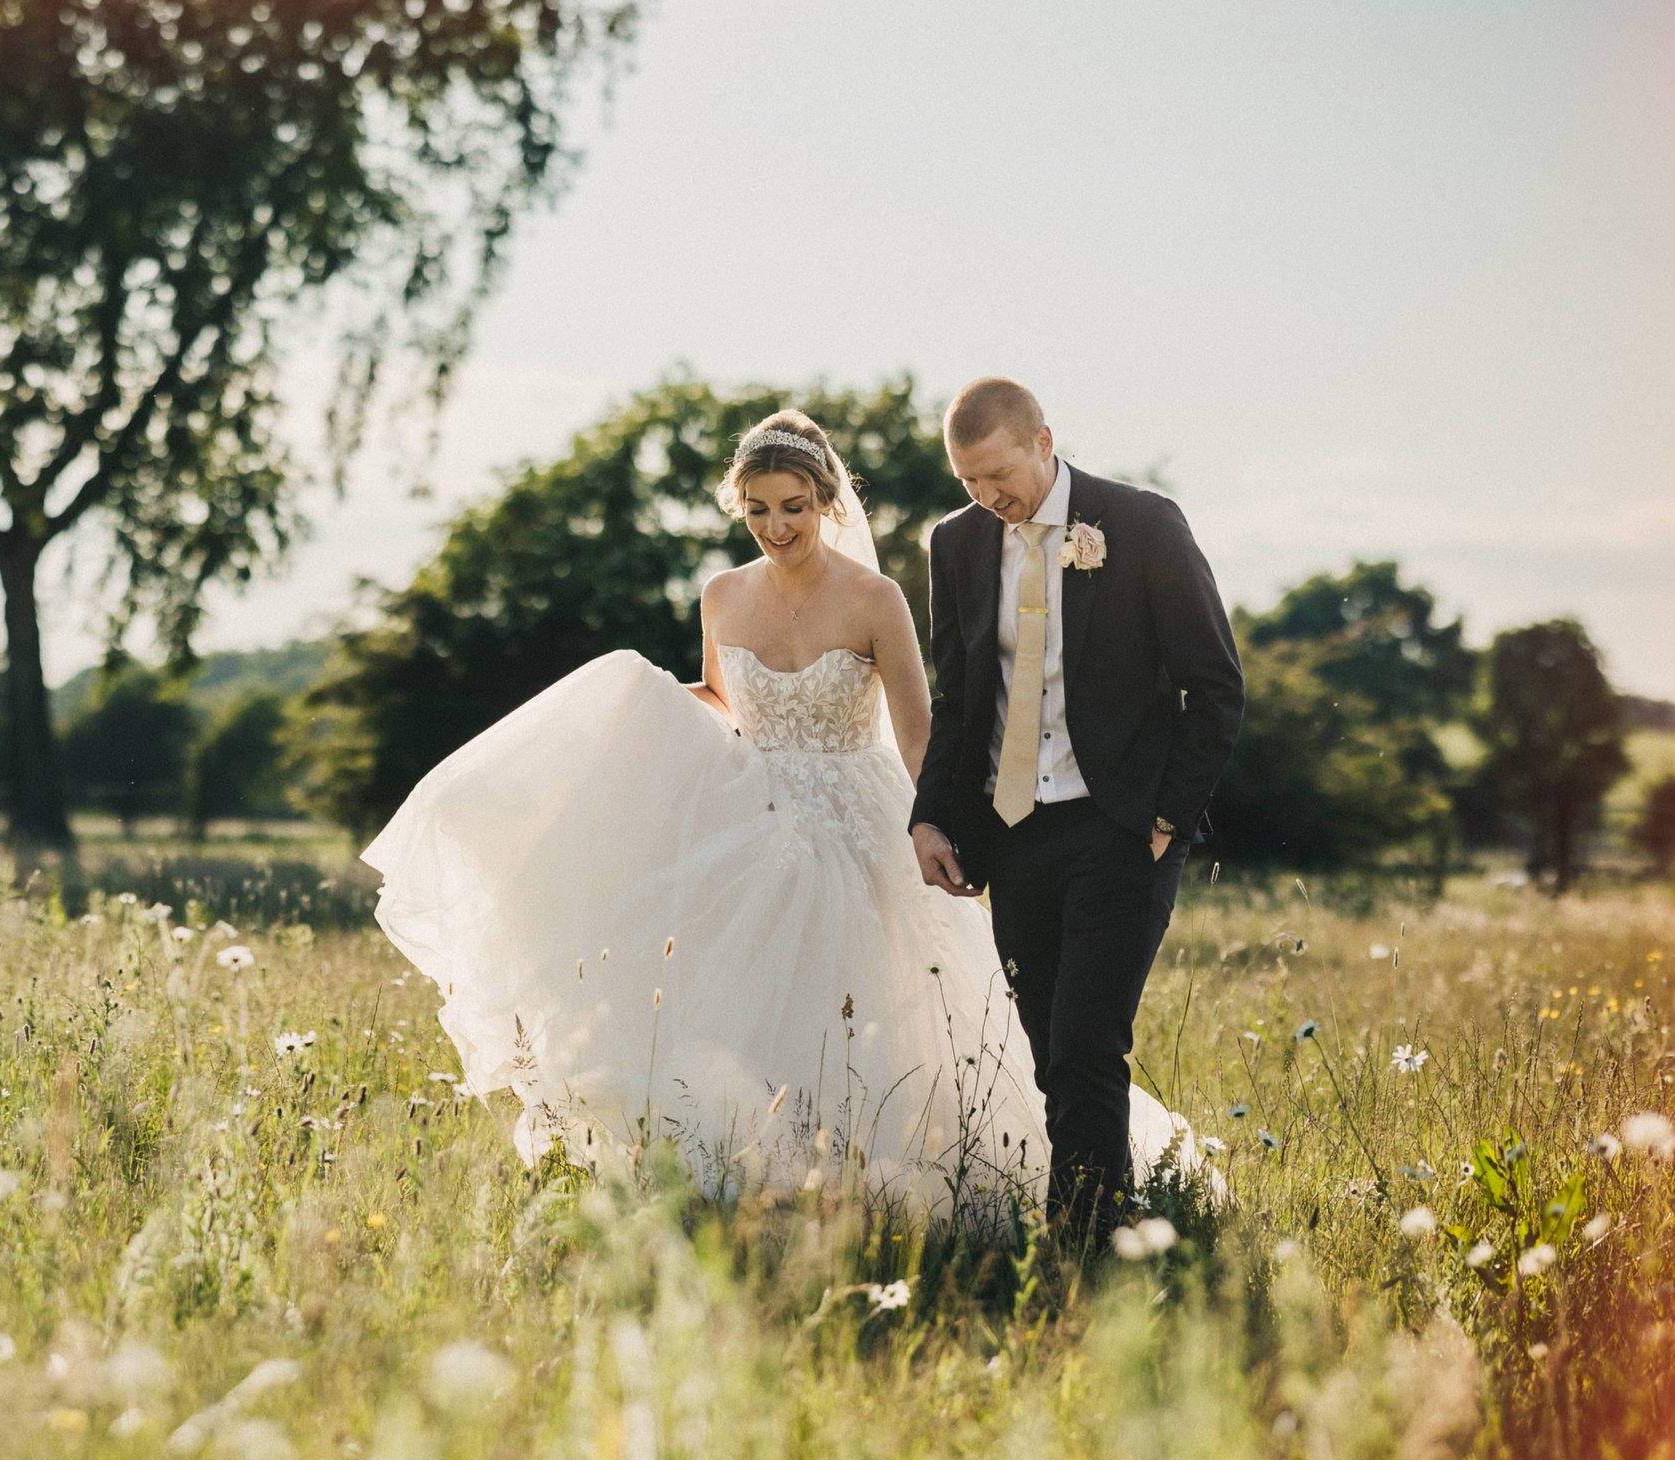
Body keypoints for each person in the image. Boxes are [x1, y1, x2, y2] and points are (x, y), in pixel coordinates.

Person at [362, 409, 1196, 1221]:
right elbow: (725, 703)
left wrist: (950, 831)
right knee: (728, 1002)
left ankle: (951, 1190)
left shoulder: (876, 600)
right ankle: (750, 1179)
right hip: (751, 818)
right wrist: (636, 706)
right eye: (757, 510)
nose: (776, 525)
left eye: (793, 507)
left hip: (854, 826)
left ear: (826, 501)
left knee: (878, 1017)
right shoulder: (721, 595)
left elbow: (919, 735)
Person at [910, 378, 1243, 1243]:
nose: (987, 498)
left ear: (1043, 440)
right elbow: (960, 696)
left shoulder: (1140, 524)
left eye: (998, 475)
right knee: (1051, 1053)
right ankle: (1108, 1222)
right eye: (968, 482)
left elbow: (1214, 683)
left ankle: (1083, 1242)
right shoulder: (956, 544)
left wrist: (1169, 814)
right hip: (1012, 832)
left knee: (1089, 1042)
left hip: (1120, 827)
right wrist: (930, 816)